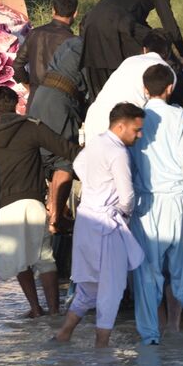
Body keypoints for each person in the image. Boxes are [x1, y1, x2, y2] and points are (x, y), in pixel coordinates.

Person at [0, 86, 81, 317]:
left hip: (1, 207)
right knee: (44, 258)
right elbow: (67, 150)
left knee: (19, 262)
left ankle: (35, 308)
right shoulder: (31, 127)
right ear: (17, 103)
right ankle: (54, 310)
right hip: (32, 203)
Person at [128, 64, 183, 345]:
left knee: (147, 275)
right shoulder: (178, 117)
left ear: (144, 89)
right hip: (179, 202)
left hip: (146, 204)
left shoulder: (134, 118)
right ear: (169, 88)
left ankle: (150, 337)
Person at [54, 102, 147, 347]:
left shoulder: (96, 142)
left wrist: (95, 187)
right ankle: (102, 344)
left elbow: (78, 165)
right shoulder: (118, 152)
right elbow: (127, 195)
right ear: (120, 126)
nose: (139, 136)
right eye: (136, 130)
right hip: (107, 223)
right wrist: (124, 213)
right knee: (112, 287)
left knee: (89, 285)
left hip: (87, 220)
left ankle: (64, 333)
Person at [81, 0, 183, 99]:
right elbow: (170, 27)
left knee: (101, 67)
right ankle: (180, 95)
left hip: (91, 22)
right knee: (159, 45)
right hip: (115, 22)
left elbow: (140, 24)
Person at [27, 36, 87, 235]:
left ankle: (54, 211)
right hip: (60, 100)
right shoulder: (89, 48)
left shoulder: (70, 43)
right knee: (64, 158)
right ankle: (56, 218)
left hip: (41, 96)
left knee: (50, 158)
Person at [83, 30, 176, 137]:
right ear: (168, 53)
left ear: (144, 50)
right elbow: (160, 109)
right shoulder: (167, 72)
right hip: (120, 127)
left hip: (94, 120)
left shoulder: (130, 60)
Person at [13, 0, 78, 91]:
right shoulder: (73, 42)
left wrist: (29, 85)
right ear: (75, 13)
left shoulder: (34, 33)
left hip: (35, 99)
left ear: (52, 10)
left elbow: (17, 65)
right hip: (60, 101)